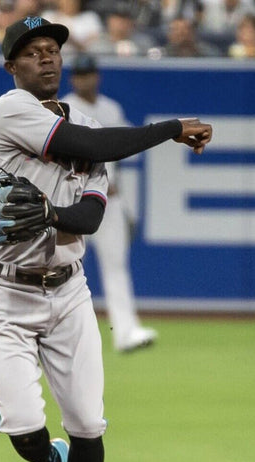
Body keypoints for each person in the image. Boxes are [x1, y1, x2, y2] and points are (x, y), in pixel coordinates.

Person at [0, 15, 212, 462]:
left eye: (52, 49)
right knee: (21, 424)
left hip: (68, 293)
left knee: (87, 423)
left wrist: (50, 214)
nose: (46, 58)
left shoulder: (92, 125)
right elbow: (86, 147)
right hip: (4, 292)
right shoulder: (9, 111)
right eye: (32, 51)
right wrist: (171, 128)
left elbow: (92, 215)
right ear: (11, 67)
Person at [61, 53, 157, 352]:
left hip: (109, 201)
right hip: (75, 200)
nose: (83, 79)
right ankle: (56, 335)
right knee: (65, 267)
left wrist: (125, 201)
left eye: (88, 74)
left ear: (97, 76)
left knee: (116, 266)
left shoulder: (111, 108)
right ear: (72, 79)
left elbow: (124, 148)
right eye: (79, 75)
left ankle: (126, 332)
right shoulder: (63, 108)